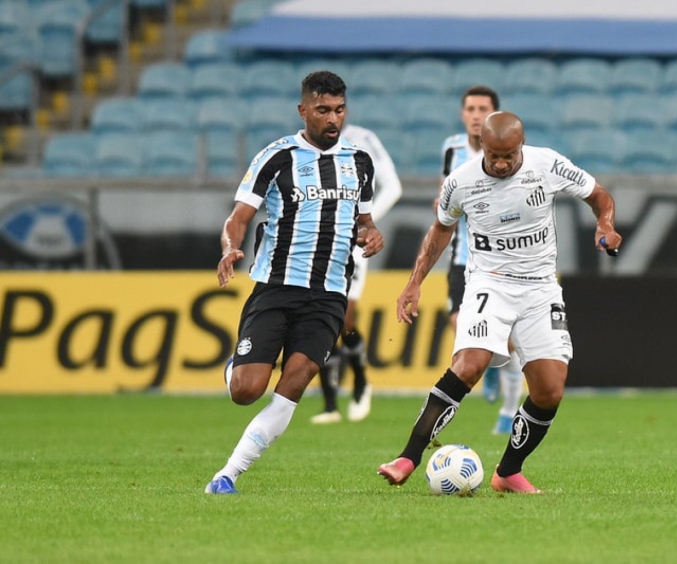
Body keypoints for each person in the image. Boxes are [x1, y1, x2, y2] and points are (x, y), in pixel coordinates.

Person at [378, 111, 621, 493]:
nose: (503, 163)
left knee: (549, 390)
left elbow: (599, 196)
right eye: (495, 156)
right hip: (489, 284)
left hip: (541, 289)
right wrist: (414, 283)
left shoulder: (548, 164)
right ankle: (408, 456)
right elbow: (440, 231)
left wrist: (605, 223)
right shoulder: (461, 182)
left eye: (510, 155)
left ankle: (507, 472)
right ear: (483, 147)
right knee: (469, 364)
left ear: (521, 145)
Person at [205, 71, 384, 494]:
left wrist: (372, 234)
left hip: (329, 295)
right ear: (303, 110)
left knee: (298, 377)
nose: (332, 119)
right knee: (247, 391)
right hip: (276, 288)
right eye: (323, 110)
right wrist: (231, 247)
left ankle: (228, 474)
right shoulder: (277, 157)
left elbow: (365, 221)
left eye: (339, 110)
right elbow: (237, 220)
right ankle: (237, 368)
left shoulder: (360, 162)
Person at [441, 86, 522, 434]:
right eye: (470, 108)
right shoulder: (453, 149)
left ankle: (508, 410)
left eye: (482, 108)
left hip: (505, 262)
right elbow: (444, 193)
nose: (475, 114)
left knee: (506, 341)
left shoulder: (512, 154)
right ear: (463, 114)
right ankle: (489, 369)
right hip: (463, 259)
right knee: (463, 326)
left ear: (494, 116)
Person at [310, 123, 403, 424]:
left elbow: (394, 187)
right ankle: (329, 405)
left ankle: (361, 382)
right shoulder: (303, 147)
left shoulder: (362, 140)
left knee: (346, 319)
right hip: (316, 244)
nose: (330, 115)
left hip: (352, 244)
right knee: (320, 320)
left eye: (336, 107)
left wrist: (367, 221)